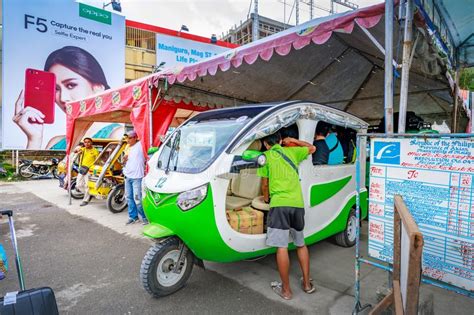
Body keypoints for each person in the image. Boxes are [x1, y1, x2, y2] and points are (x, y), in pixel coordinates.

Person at [12, 46, 111, 150]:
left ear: (98, 88)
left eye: (71, 85)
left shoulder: (115, 136)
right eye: (56, 89)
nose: (63, 98)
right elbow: (32, 167)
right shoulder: (55, 143)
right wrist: (34, 139)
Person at [258, 131, 316, 300]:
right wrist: (294, 140)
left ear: (266, 144)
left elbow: (265, 184)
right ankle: (306, 284)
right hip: (297, 204)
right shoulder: (292, 151)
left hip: (280, 205)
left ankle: (286, 291)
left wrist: (268, 199)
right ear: (281, 140)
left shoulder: (265, 157)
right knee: (300, 244)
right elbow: (312, 148)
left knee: (282, 247)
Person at [123, 130, 148, 225]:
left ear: (135, 138)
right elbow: (126, 160)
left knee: (137, 199)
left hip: (137, 177)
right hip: (127, 175)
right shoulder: (127, 147)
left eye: (130, 138)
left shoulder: (140, 145)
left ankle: (145, 217)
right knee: (129, 198)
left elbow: (144, 133)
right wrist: (124, 160)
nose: (127, 140)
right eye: (127, 138)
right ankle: (133, 217)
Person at [74, 137, 99, 206]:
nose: (87, 143)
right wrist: (77, 150)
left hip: (90, 170)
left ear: (91, 143)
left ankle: (86, 200)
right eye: (85, 142)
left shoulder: (95, 151)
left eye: (88, 142)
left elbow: (97, 161)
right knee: (78, 184)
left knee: (87, 185)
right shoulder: (83, 149)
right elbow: (75, 151)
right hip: (82, 169)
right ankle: (89, 194)